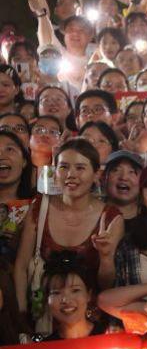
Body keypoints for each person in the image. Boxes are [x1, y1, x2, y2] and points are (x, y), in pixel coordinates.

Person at [14, 139, 124, 327]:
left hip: (91, 322)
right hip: (42, 318)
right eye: (63, 167)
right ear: (54, 172)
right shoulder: (40, 208)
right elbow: (21, 267)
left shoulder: (110, 218)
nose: (71, 175)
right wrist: (22, 314)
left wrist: (106, 258)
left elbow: (107, 285)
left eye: (80, 168)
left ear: (96, 174)